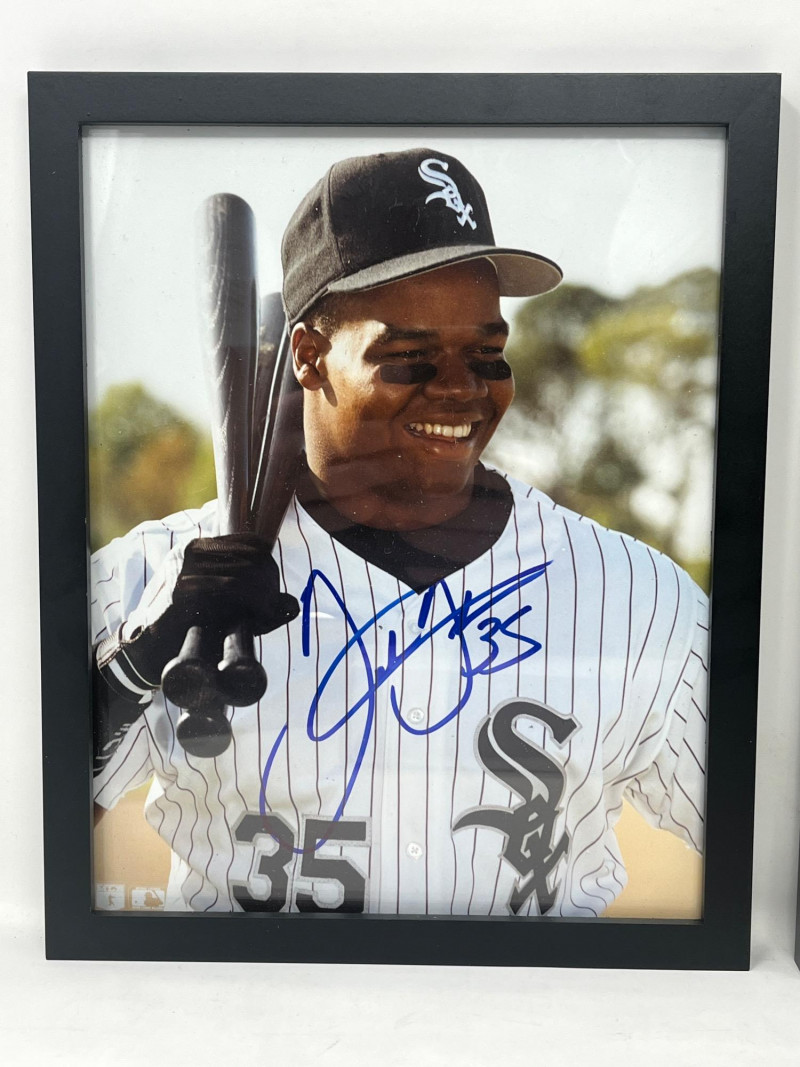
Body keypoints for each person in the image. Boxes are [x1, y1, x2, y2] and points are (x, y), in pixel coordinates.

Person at [91, 147, 708, 916]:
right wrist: (135, 665)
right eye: (411, 358)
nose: (461, 388)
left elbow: (766, 837)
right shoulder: (144, 576)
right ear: (309, 356)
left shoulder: (639, 598)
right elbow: (27, 852)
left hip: (529, 999)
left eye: (488, 354)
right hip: (254, 997)